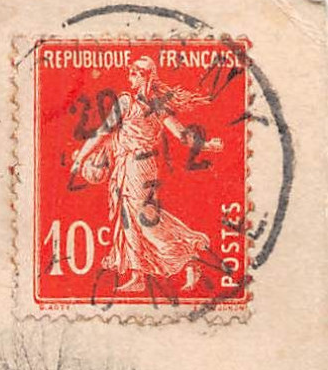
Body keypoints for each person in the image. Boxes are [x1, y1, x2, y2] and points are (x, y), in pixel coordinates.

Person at [72, 56, 226, 294]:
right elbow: (104, 131)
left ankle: (186, 257)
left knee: (145, 221)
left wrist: (207, 145)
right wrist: (82, 156)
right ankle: (138, 275)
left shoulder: (149, 105)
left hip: (139, 167)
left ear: (146, 76)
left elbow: (182, 135)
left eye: (134, 74)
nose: (129, 78)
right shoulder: (131, 102)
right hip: (126, 166)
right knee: (129, 218)